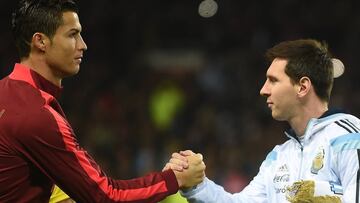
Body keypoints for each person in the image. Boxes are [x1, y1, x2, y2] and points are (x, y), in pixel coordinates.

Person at [0, 0, 206, 202]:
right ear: (40, 41)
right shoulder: (37, 115)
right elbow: (106, 195)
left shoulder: (6, 94)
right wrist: (176, 179)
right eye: (73, 35)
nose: (83, 45)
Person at [167, 39, 360, 202]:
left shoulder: (350, 138)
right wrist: (197, 185)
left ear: (302, 87)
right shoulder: (278, 157)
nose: (263, 90)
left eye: (273, 80)